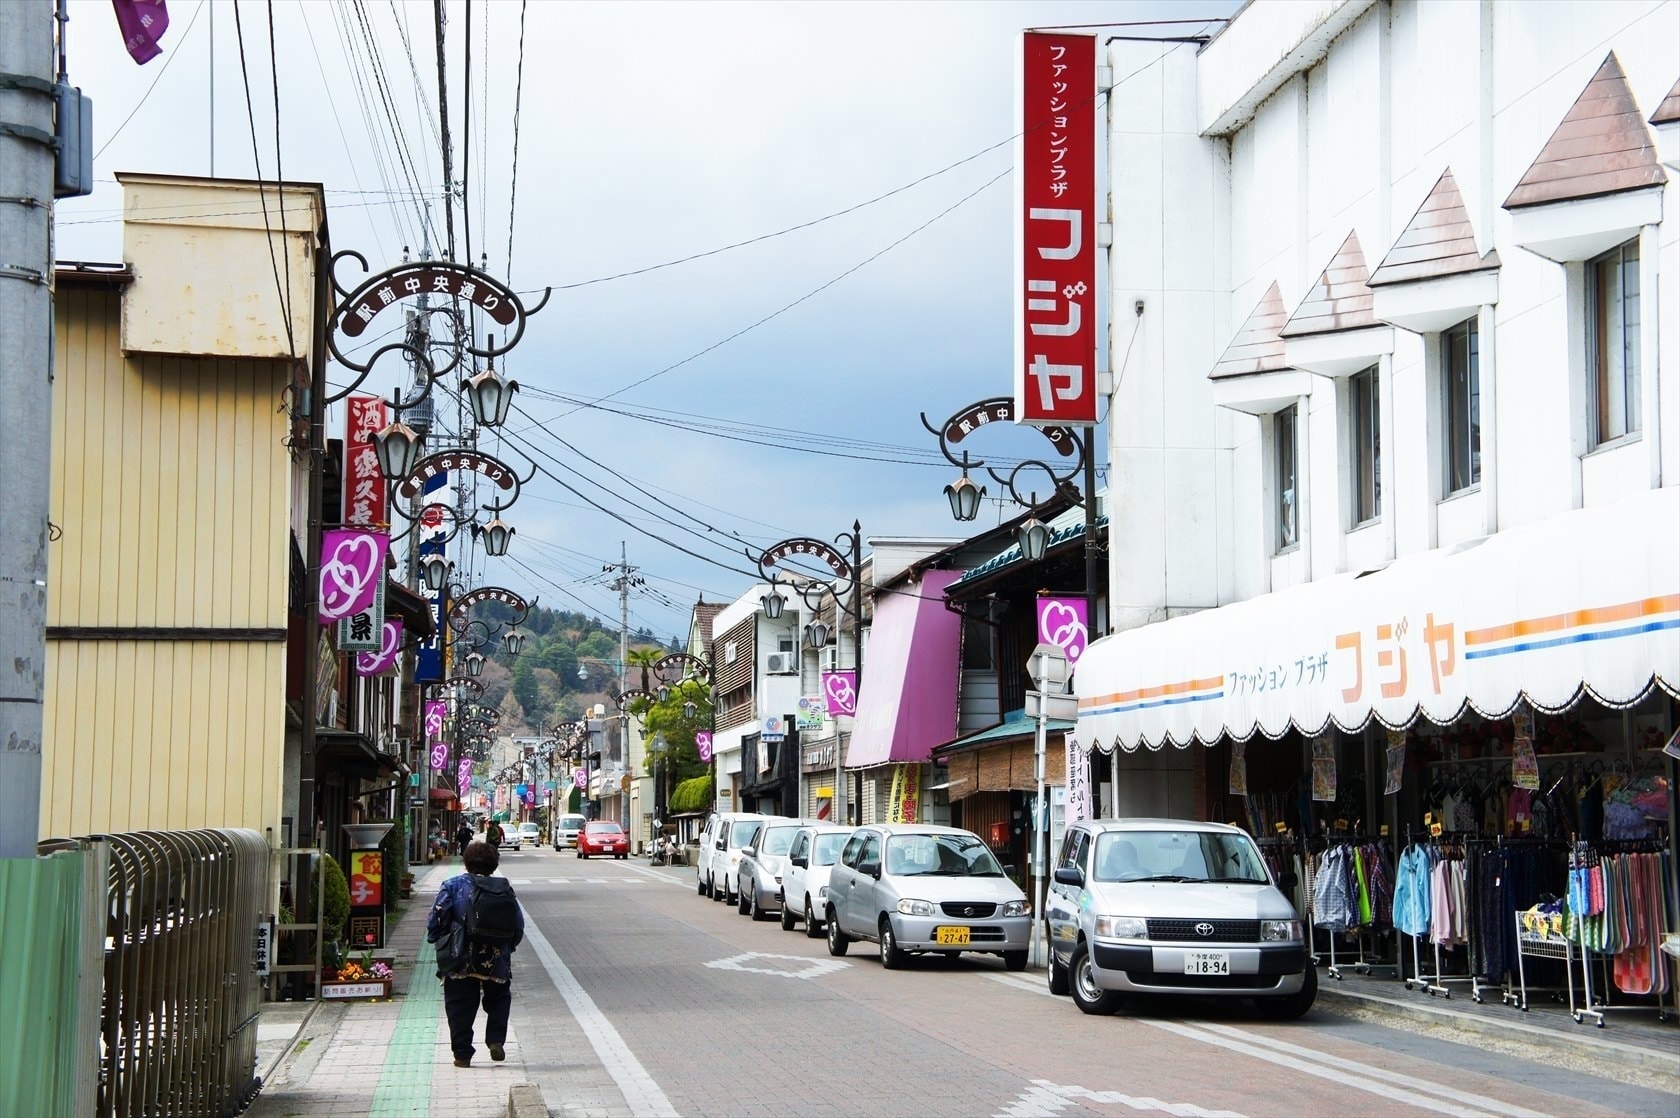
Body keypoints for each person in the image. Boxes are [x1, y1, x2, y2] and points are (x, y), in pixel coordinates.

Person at [427, 840, 525, 1068]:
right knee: (499, 997)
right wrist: (508, 947)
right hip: (496, 957)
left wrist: (438, 938)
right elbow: (517, 925)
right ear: (493, 865)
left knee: (459, 1004)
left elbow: (437, 919)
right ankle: (495, 1040)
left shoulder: (452, 885)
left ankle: (462, 1054)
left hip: (459, 955)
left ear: (466, 862)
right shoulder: (503, 889)